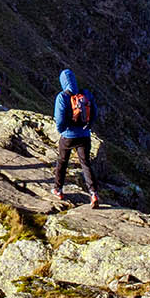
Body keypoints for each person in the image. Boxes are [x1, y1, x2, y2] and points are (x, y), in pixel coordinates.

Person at [52, 68, 99, 207]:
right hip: (84, 135)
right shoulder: (85, 94)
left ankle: (58, 189)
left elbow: (59, 119)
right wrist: (87, 127)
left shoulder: (63, 97)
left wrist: (62, 131)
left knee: (62, 162)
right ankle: (94, 193)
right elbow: (94, 112)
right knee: (86, 163)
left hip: (68, 136)